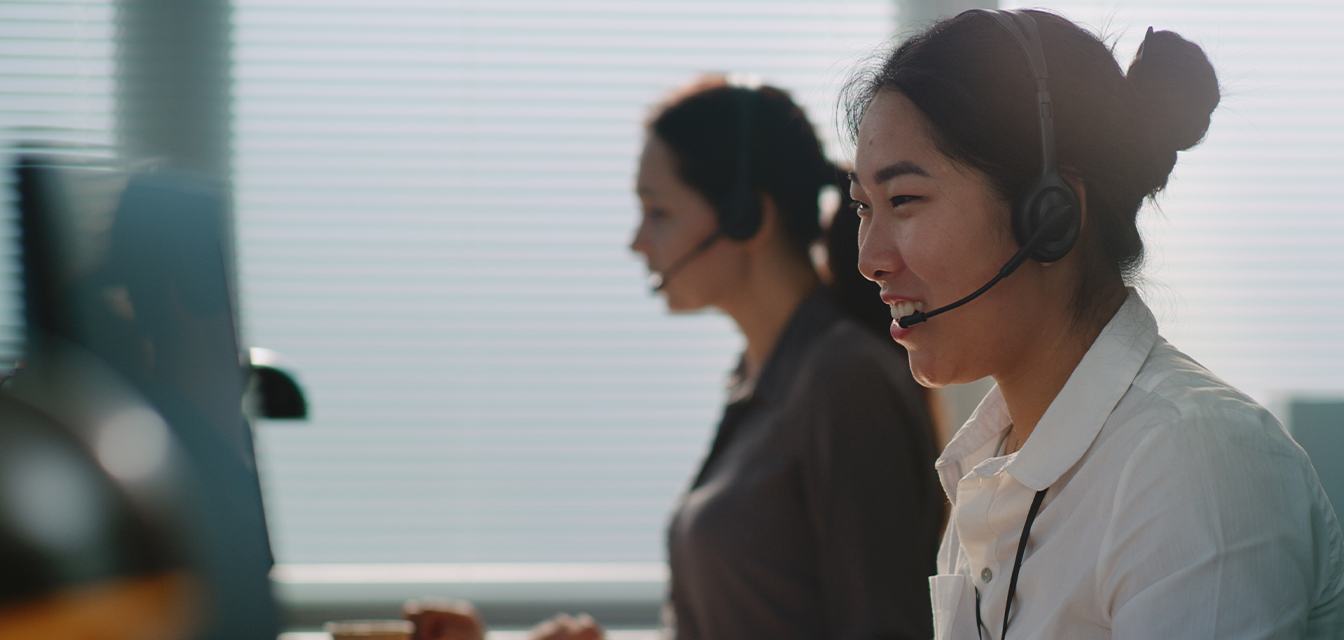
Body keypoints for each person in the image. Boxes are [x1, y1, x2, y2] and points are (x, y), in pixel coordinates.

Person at [845, 8, 1344, 639]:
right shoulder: (995, 471)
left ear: (1050, 216)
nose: (869, 259)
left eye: (904, 201)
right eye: (864, 207)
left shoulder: (1188, 463)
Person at [406, 76, 945, 640]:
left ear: (744, 218)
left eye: (658, 212)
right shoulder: (760, 378)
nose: (637, 242)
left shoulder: (843, 382)